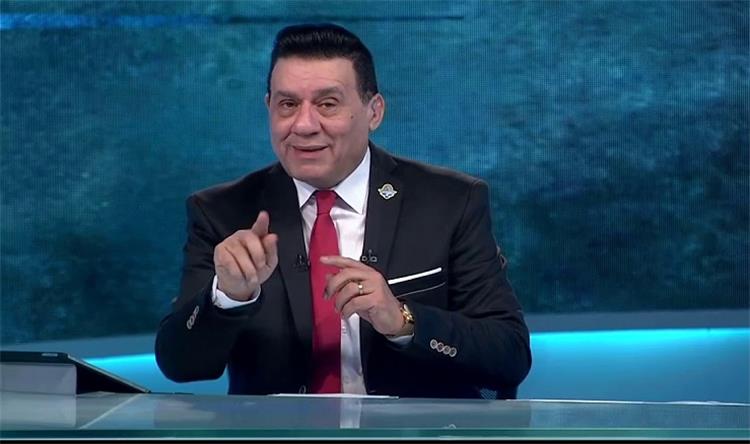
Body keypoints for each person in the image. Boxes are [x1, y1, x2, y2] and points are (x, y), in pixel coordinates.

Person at [155, 23, 531, 399]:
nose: (303, 125)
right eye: (288, 105)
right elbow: (181, 366)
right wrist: (227, 298)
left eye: (327, 104)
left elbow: (509, 355)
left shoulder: (450, 202)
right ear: (268, 108)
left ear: (374, 112)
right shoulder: (222, 213)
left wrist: (402, 320)